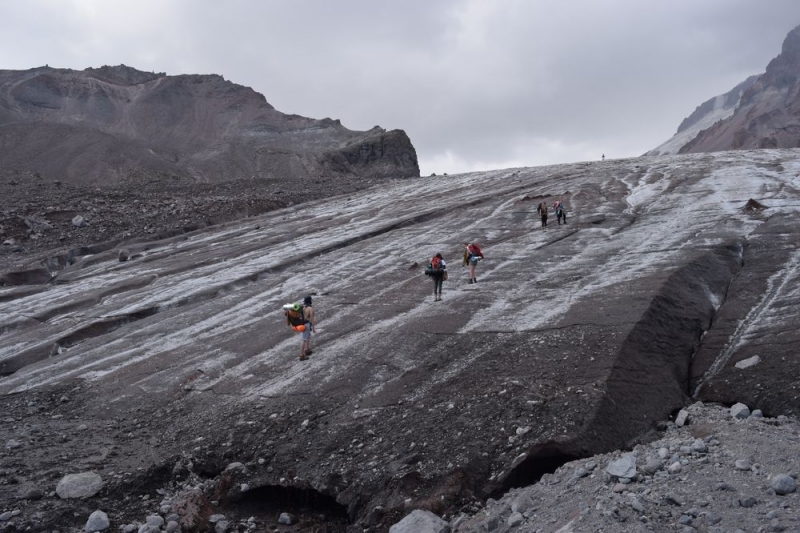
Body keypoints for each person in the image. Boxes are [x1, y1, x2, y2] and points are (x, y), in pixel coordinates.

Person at [299, 295, 316, 360]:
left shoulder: (303, 307)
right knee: (304, 339)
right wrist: (313, 328)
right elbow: (312, 318)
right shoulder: (310, 308)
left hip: (303, 324)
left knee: (307, 336)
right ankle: (301, 355)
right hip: (307, 324)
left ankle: (307, 350)